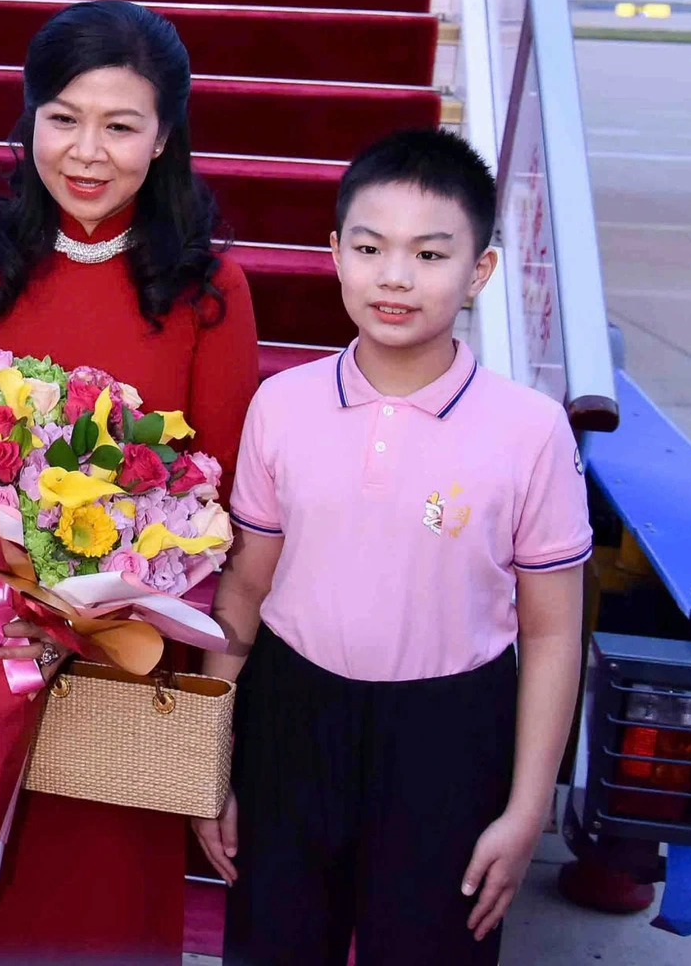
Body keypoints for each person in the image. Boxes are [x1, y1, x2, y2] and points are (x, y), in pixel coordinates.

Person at [0, 0, 261, 961]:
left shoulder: (209, 289)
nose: (87, 151)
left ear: (165, 135)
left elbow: (220, 505)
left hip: (116, 662)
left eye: (121, 125)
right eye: (64, 118)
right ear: (29, 118)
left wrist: (110, 598)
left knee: (92, 924)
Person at [195, 129, 589, 966]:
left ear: (479, 270)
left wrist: (527, 813)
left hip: (451, 731)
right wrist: (208, 758)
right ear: (335, 254)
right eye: (371, 247)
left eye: (430, 253)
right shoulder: (284, 404)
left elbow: (552, 633)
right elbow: (244, 592)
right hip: (292, 719)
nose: (396, 276)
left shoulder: (529, 430)